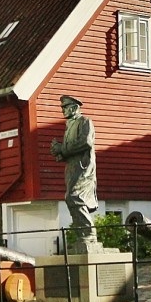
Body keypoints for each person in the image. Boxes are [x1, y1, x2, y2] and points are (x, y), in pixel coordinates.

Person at [50, 95, 99, 249]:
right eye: (62, 107)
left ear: (75, 107)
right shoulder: (69, 125)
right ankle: (83, 235)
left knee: (75, 197)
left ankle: (89, 234)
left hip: (83, 168)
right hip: (72, 168)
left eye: (65, 107)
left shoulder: (84, 122)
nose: (62, 110)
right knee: (70, 198)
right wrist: (59, 152)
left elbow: (85, 142)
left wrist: (62, 149)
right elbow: (70, 148)